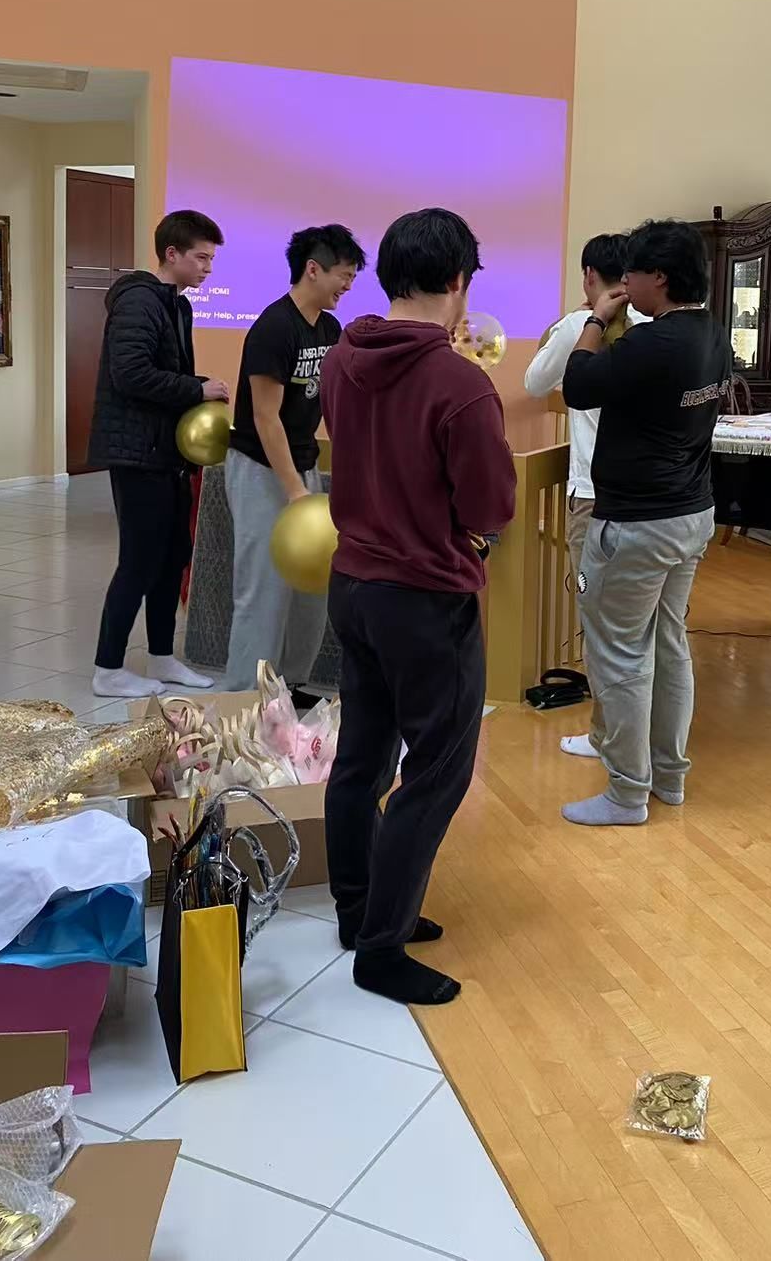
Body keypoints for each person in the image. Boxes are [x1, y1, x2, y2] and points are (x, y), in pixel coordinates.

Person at [320, 209, 516, 1007]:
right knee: (436, 768)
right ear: (459, 281)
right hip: (426, 597)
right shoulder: (461, 384)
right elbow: (491, 504)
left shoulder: (340, 356)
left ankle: (358, 911)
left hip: (353, 583)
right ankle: (382, 946)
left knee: (362, 755)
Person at [560, 219, 726, 826]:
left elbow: (577, 384)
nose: (622, 281)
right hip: (690, 513)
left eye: (631, 271)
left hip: (638, 521)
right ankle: (669, 778)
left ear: (659, 277)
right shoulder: (712, 334)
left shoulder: (652, 343)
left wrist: (597, 319)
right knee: (669, 644)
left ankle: (628, 793)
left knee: (621, 656)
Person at [89, 209, 229, 699]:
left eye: (211, 260)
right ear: (172, 254)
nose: (208, 269)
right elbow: (131, 374)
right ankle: (107, 668)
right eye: (201, 258)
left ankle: (163, 656)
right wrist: (197, 389)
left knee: (172, 559)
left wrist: (194, 389)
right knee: (139, 561)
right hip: (138, 453)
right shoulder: (139, 302)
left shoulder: (177, 304)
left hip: (167, 453)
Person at [222, 224, 366, 692]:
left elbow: (329, 403)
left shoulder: (329, 328)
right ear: (312, 269)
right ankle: (246, 697)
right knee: (263, 590)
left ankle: (290, 685)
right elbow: (266, 419)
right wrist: (295, 490)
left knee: (312, 584)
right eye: (343, 275)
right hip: (261, 468)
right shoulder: (272, 328)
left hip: (301, 466)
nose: (348, 285)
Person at [524, 232, 645, 759]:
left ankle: (606, 735)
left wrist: (577, 318)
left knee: (596, 617)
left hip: (594, 496)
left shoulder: (580, 326)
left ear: (590, 277)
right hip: (649, 495)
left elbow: (533, 382)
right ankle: (643, 731)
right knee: (642, 625)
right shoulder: (655, 324)